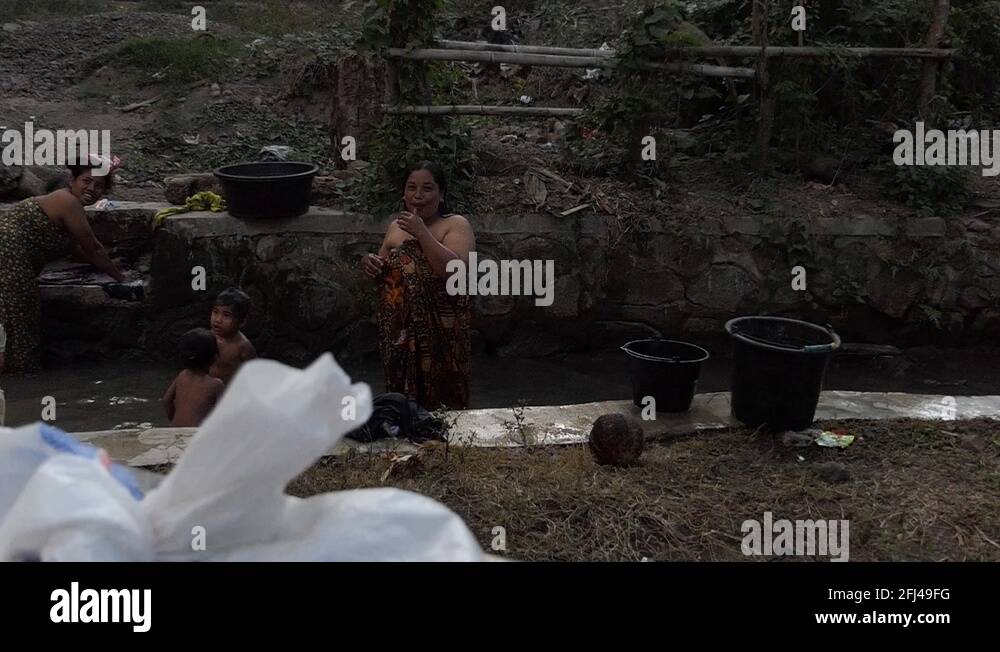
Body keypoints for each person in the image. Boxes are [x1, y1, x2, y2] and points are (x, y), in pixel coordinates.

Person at [362, 161, 476, 410]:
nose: (418, 195)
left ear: (442, 193)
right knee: (401, 403)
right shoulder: (395, 227)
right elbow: (384, 268)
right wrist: (371, 264)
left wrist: (422, 233)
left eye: (427, 188)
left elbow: (455, 273)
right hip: (399, 335)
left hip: (441, 336)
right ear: (403, 193)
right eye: (411, 188)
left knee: (444, 408)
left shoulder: (455, 225)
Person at [0, 161, 125, 373]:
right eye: (86, 181)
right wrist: (121, 278)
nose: (92, 189)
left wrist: (112, 264)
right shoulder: (68, 201)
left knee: (12, 320)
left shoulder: (69, 206)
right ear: (72, 181)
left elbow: (77, 251)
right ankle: (21, 377)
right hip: (8, 258)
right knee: (19, 319)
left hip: (13, 261)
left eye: (99, 186)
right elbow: (93, 248)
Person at [162, 328, 224, 427]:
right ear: (215, 358)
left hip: (174, 431)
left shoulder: (182, 375)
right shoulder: (216, 384)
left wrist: (175, 423)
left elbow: (166, 401)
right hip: (196, 435)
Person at [209, 287, 257, 385]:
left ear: (242, 321)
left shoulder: (243, 346)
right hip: (208, 391)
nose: (218, 319)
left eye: (226, 315)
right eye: (215, 312)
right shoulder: (208, 337)